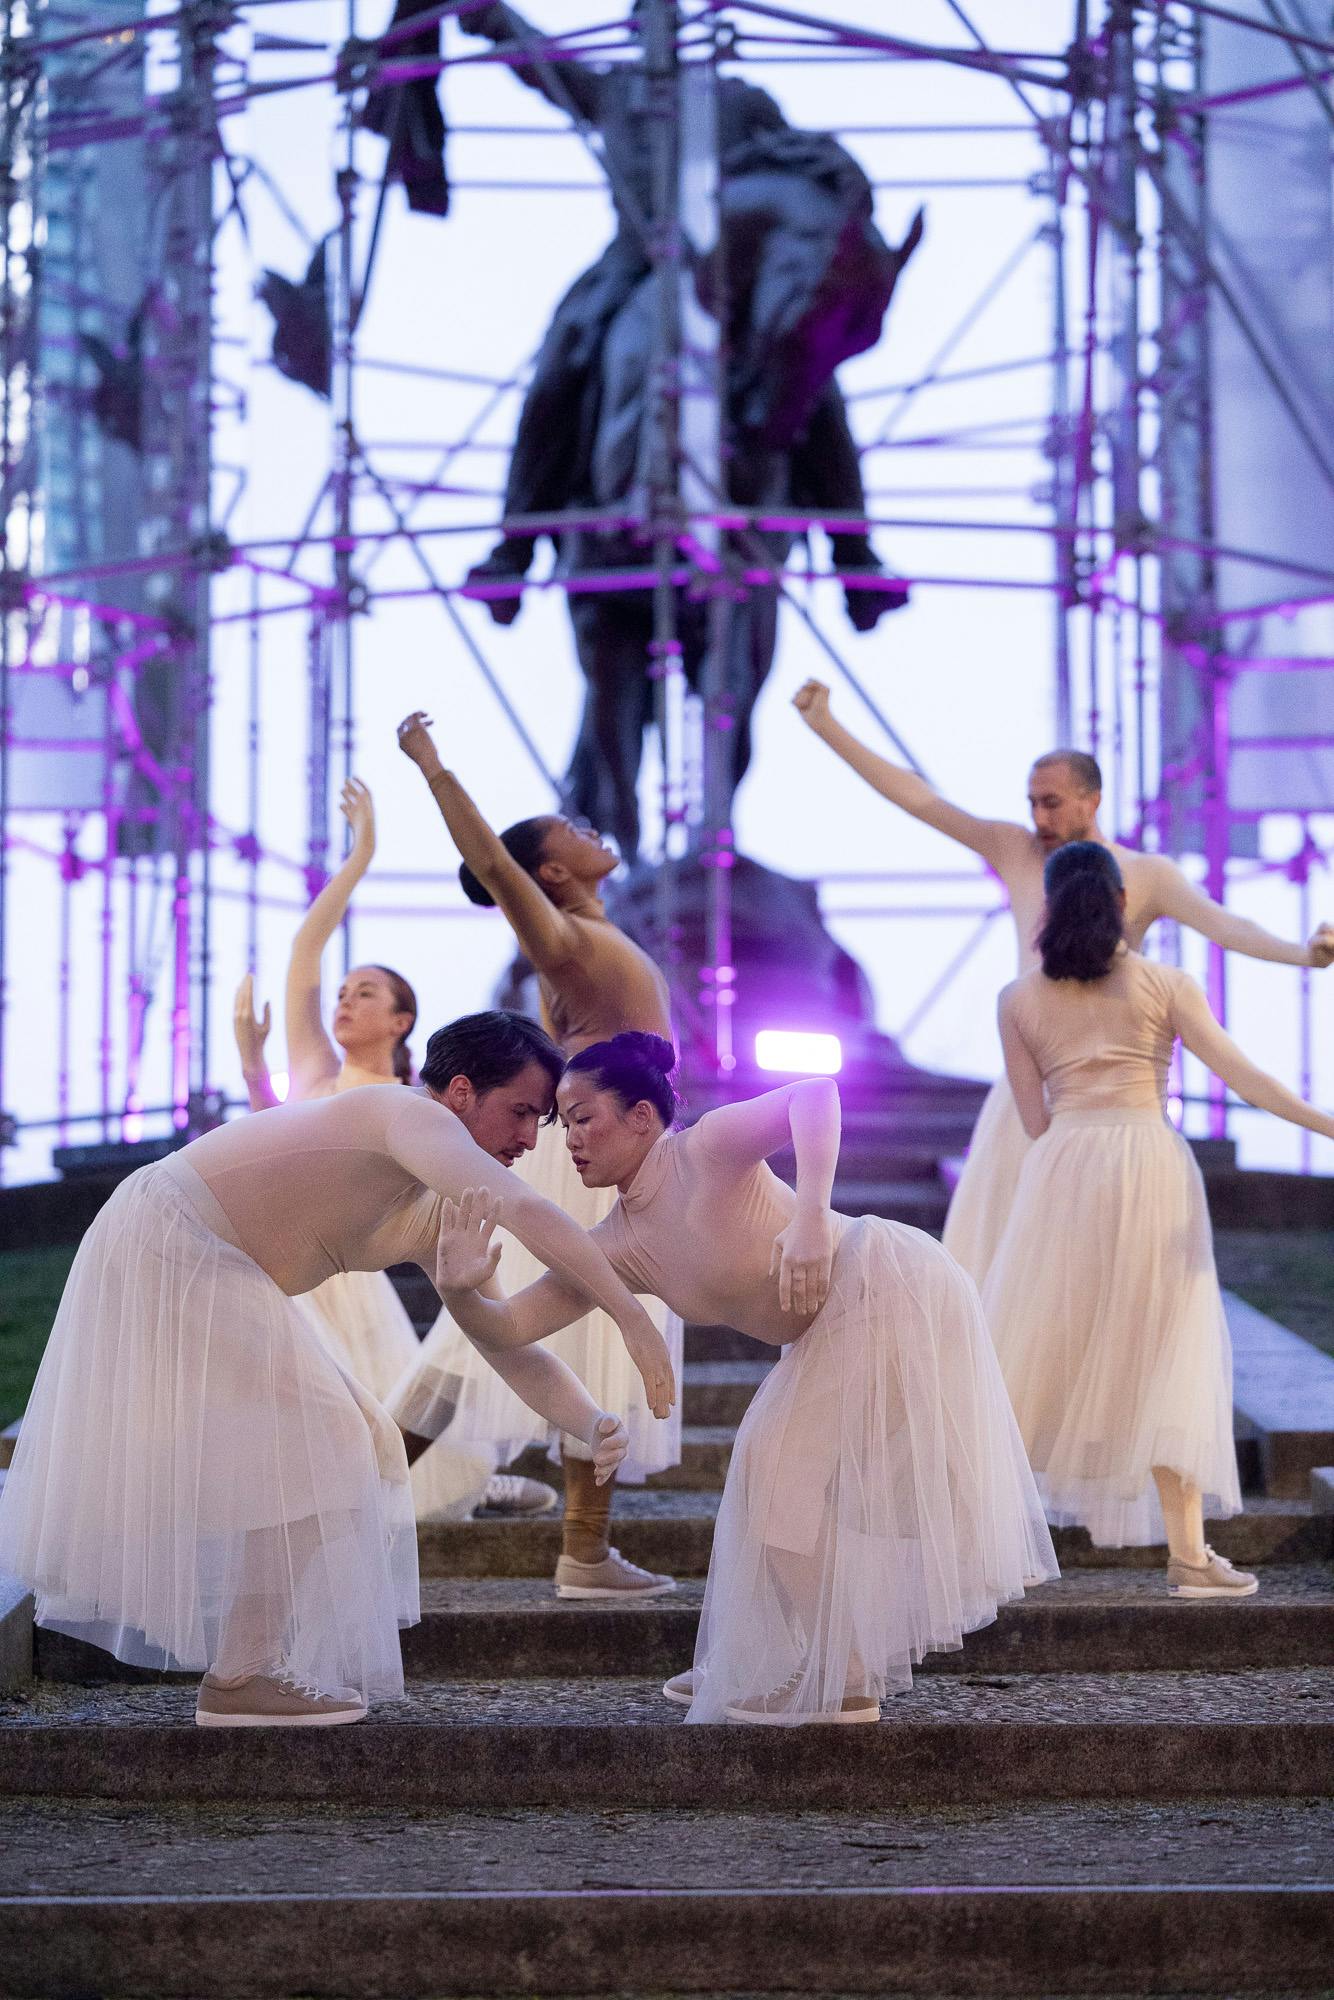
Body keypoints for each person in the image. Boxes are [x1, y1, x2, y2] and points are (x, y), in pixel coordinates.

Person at [0, 1011, 675, 1728]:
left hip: (214, 1262)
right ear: (457, 1091)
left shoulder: (441, 1208)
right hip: (173, 1236)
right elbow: (529, 1209)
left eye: (538, 1122)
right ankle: (243, 1673)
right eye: (520, 1113)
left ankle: (248, 1666)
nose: (525, 1139)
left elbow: (504, 1341)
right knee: (331, 1430)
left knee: (356, 1432)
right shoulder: (404, 1113)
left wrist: (588, 1419)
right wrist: (631, 1318)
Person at [432, 1033, 1057, 1726]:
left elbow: (814, 1095)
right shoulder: (617, 1244)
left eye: (584, 1118)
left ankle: (844, 1680)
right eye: (563, 1124)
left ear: (642, 1116)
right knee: (773, 1479)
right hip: (830, 1331)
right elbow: (510, 1328)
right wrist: (462, 1288)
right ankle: (812, 1667)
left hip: (887, 1284)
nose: (570, 1139)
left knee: (772, 1465)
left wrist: (814, 1217)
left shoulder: (703, 1150)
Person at [793, 679, 1334, 1286]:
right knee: (1004, 1258)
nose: (1038, 816)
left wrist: (1302, 955)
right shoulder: (1015, 850)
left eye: (1052, 802)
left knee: (1104, 1268)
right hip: (1031, 1080)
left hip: (1112, 1090)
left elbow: (1224, 925)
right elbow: (921, 801)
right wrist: (827, 727)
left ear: (1091, 799)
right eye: (1031, 802)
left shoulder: (1146, 874)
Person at [983, 842, 1334, 1593]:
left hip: (1063, 1171)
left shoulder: (1016, 999)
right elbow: (1249, 1079)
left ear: (1047, 909)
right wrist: (1328, 1125)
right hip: (1147, 1166)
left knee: (1039, 1346)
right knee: (1170, 1349)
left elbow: (1034, 1122)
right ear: (1119, 903)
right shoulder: (1165, 984)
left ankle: (982, 1544)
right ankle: (1188, 1555)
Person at [388, 711, 683, 1599]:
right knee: (484, 1339)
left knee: (588, 1354)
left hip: (623, 1151)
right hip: (580, 1160)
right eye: (577, 832)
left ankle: (584, 1552)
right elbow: (493, 867)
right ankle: (352, 1489)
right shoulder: (562, 939)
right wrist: (435, 766)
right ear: (551, 871)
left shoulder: (595, 935)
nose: (596, 831)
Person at [231, 775, 553, 1523]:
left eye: (366, 992)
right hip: (290, 1257)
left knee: (379, 1417)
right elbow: (306, 951)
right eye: (345, 991)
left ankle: (467, 1484)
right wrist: (360, 855)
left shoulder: (423, 1107)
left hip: (354, 1273)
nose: (344, 999)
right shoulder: (316, 1069)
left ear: (403, 1019)